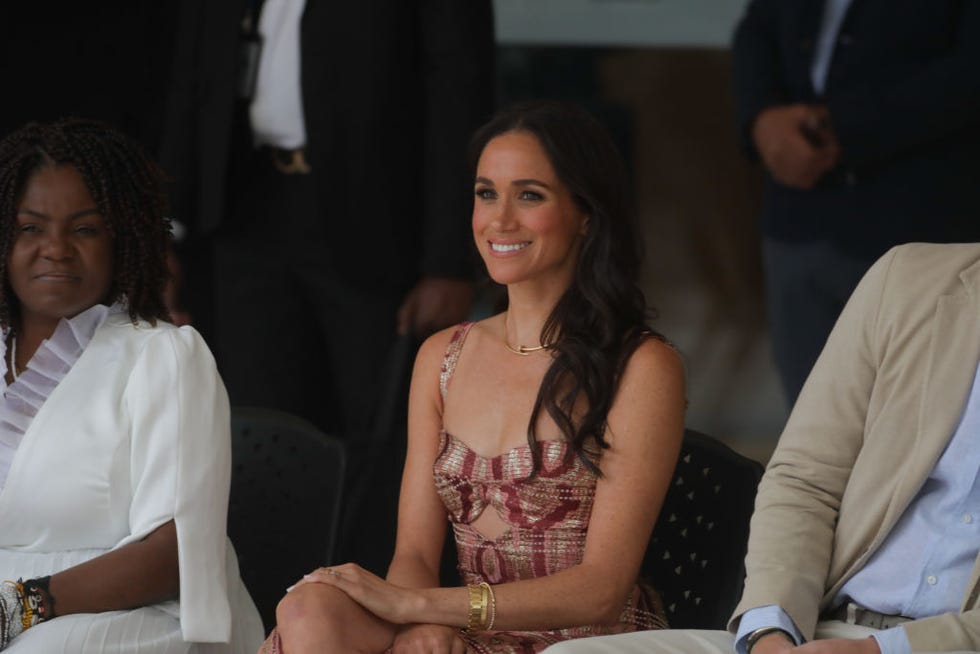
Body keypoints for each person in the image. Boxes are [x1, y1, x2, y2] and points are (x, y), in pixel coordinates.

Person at [255, 101, 687, 653]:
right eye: (487, 193)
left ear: (587, 213)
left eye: (529, 195)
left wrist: (424, 608)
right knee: (308, 607)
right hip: (462, 628)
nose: (500, 219)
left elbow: (602, 589)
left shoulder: (643, 364)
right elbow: (412, 553)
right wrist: (420, 626)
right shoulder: (443, 356)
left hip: (585, 641)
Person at [544, 241, 980, 654]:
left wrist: (884, 650)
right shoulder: (909, 279)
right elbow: (805, 480)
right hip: (815, 627)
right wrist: (771, 630)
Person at [160, 0, 495, 435]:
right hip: (248, 205)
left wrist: (449, 262)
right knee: (259, 425)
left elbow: (459, 95)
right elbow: (194, 75)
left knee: (382, 428)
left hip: (378, 221)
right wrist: (164, 228)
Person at [0, 119, 263, 652]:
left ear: (123, 237)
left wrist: (20, 606)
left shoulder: (164, 355)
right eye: (31, 228)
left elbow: (174, 556)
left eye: (85, 228)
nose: (55, 248)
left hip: (130, 614)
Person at [731, 0, 980, 404]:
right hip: (798, 213)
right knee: (810, 428)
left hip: (920, 221)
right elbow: (758, 28)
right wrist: (762, 119)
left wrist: (842, 127)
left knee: (917, 426)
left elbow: (969, 73)